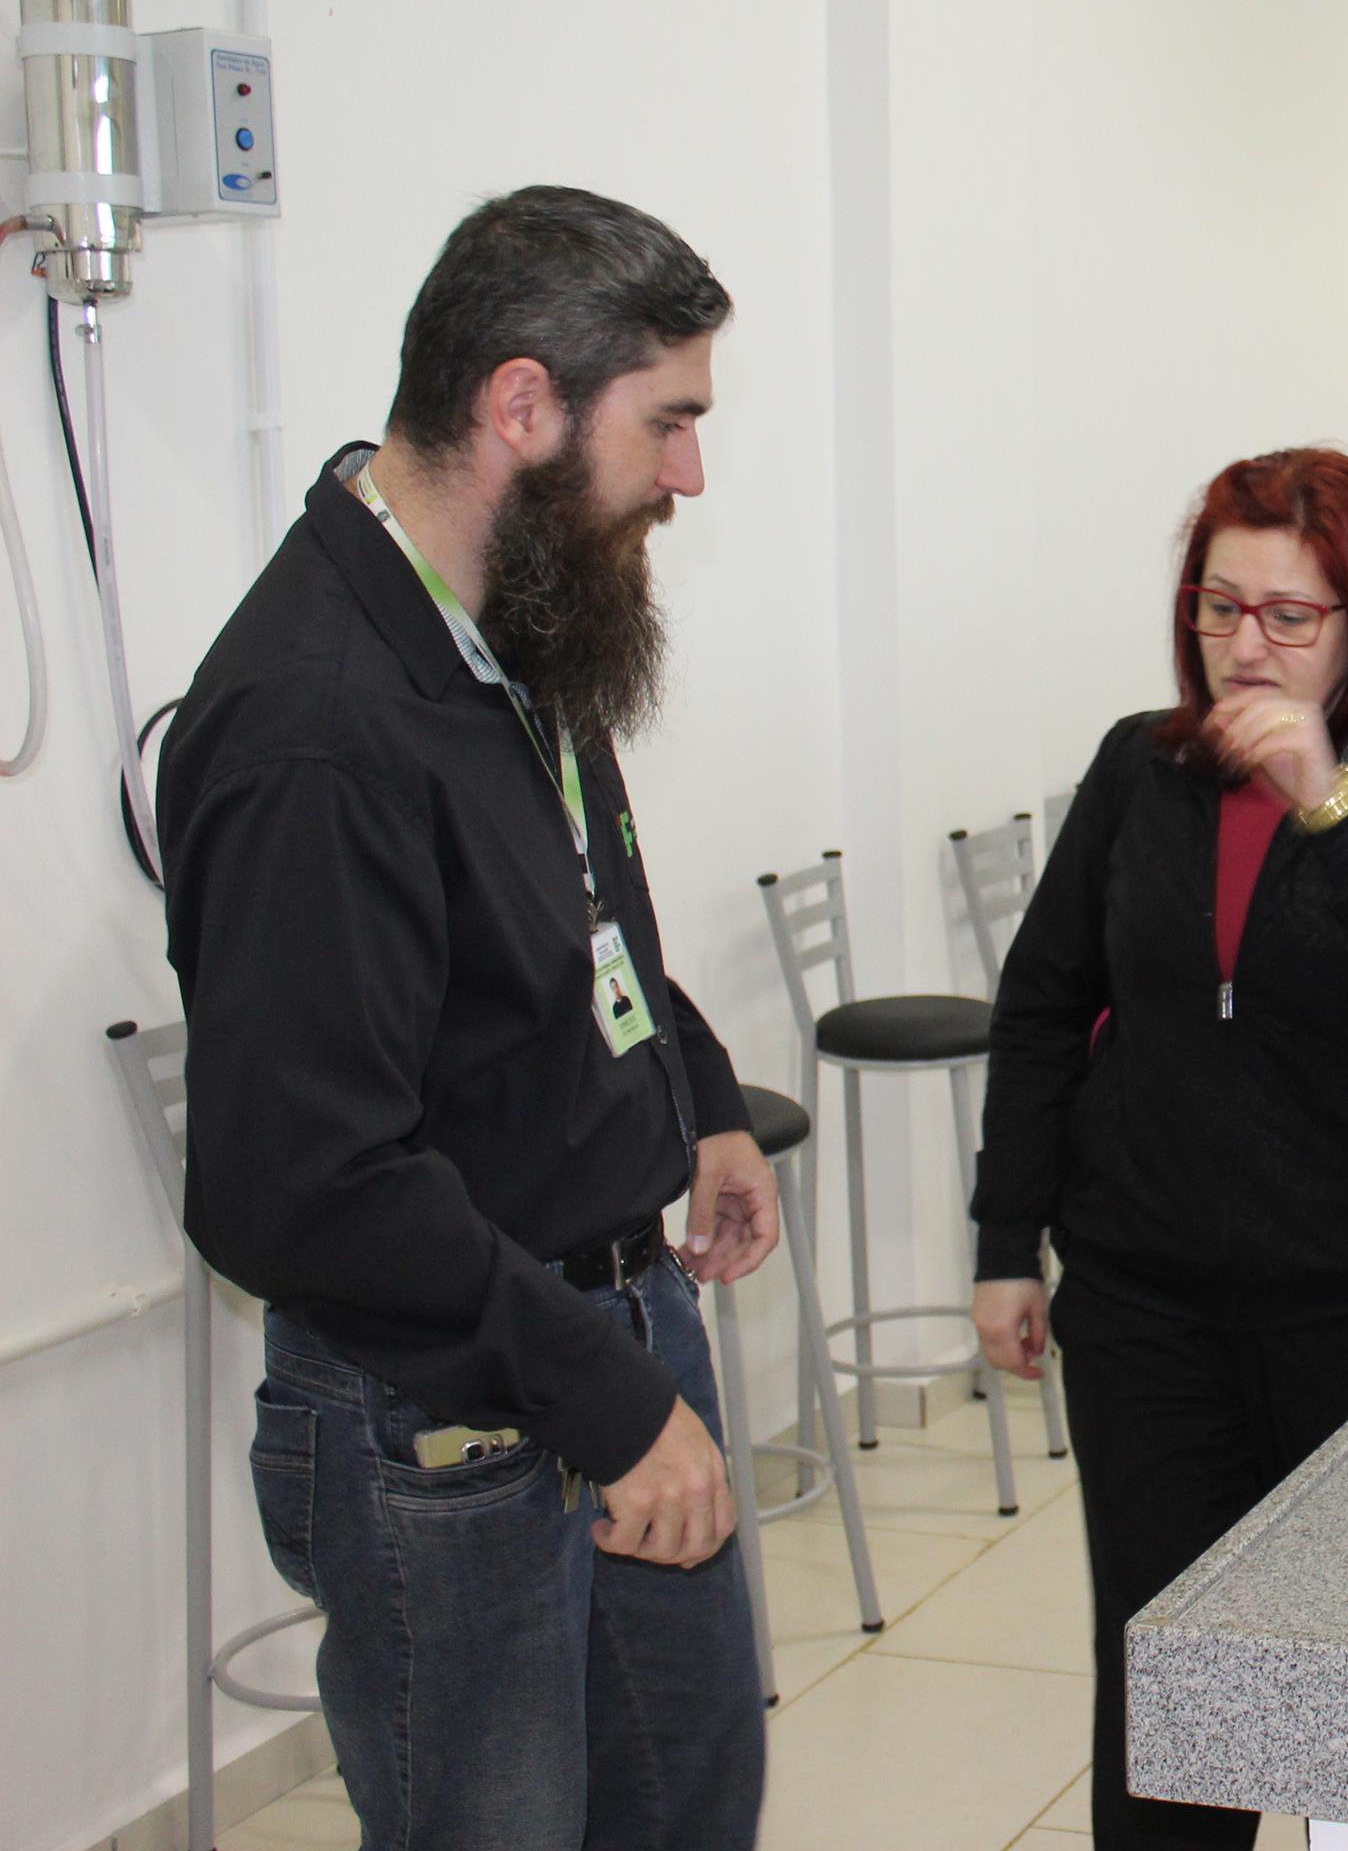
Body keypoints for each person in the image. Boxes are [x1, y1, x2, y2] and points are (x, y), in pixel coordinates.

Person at [160, 187, 775, 1850]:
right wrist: (606, 1402)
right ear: (523, 405)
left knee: (688, 1801)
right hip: (451, 1420)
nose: (689, 476)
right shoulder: (313, 726)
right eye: (668, 423)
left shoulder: (516, 617)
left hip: (610, 1328)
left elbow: (584, 912)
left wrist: (697, 1097)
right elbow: (306, 1182)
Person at [971, 448, 1348, 1849]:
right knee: (1170, 1700)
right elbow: (1043, 1006)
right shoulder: (1140, 765)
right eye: (1220, 607)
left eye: (1288, 615)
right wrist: (1005, 1242)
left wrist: (1328, 798)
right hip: (1144, 1307)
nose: (1245, 646)